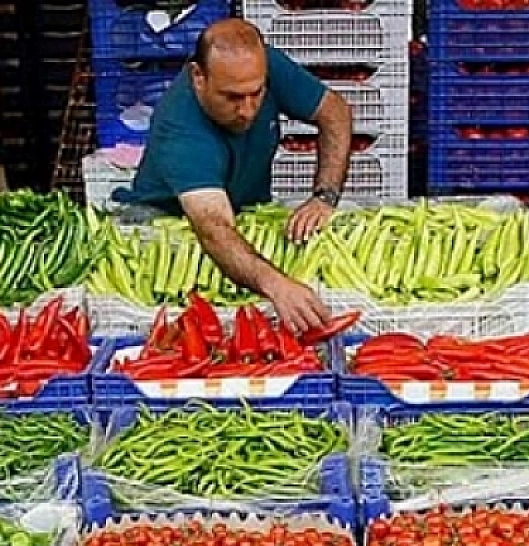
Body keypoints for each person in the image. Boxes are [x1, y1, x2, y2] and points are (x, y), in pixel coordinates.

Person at [116, 18, 354, 332]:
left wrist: (324, 196)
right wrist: (276, 285)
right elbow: (214, 228)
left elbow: (335, 112)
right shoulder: (181, 130)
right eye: (232, 98)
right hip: (169, 224)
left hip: (240, 208)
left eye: (256, 94)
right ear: (198, 77)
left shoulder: (259, 67)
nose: (248, 109)